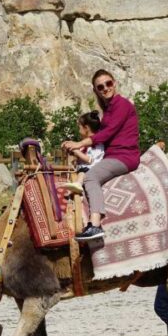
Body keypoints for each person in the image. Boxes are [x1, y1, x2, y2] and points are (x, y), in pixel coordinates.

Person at [62, 70, 140, 240]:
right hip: (113, 155)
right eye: (100, 86)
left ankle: (95, 225)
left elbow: (106, 134)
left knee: (90, 177)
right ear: (96, 90)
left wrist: (79, 144)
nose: (105, 88)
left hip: (123, 156)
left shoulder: (122, 105)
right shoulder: (109, 109)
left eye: (108, 83)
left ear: (115, 83)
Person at [61, 111, 104, 194]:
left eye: (79, 127)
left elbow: (90, 160)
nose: (78, 129)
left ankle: (78, 184)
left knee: (83, 171)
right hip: (82, 169)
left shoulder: (97, 144)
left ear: (86, 128)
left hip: (91, 170)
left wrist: (76, 151)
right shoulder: (83, 143)